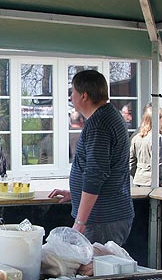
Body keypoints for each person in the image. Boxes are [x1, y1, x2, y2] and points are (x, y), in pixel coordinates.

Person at [48, 70, 134, 246]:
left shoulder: (99, 124)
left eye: (73, 92)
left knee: (96, 271)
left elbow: (96, 174)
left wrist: (80, 223)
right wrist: (76, 194)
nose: (71, 97)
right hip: (106, 216)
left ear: (84, 96)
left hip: (101, 219)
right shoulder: (108, 115)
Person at [129, 105, 162, 188]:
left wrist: (138, 175)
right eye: (161, 121)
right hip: (153, 182)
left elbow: (131, 163)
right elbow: (158, 163)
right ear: (156, 121)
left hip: (138, 180)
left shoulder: (136, 138)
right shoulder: (157, 138)